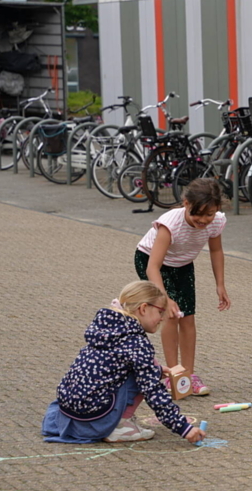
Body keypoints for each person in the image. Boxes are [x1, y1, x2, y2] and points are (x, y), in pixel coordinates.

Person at [42, 281, 206, 444]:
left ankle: (115, 421)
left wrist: (155, 370)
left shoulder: (106, 328)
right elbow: (152, 390)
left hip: (70, 413)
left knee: (149, 369)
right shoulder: (136, 343)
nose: (162, 318)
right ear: (143, 308)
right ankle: (119, 426)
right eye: (160, 312)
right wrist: (183, 427)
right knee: (147, 375)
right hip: (96, 419)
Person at [134, 178, 230, 396]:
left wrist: (220, 285)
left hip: (182, 264)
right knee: (171, 314)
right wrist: (164, 298)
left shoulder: (215, 221)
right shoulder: (170, 224)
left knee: (188, 317)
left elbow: (216, 251)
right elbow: (152, 267)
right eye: (199, 214)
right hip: (152, 261)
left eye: (210, 214)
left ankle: (189, 374)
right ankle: (173, 375)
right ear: (186, 203)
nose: (204, 220)